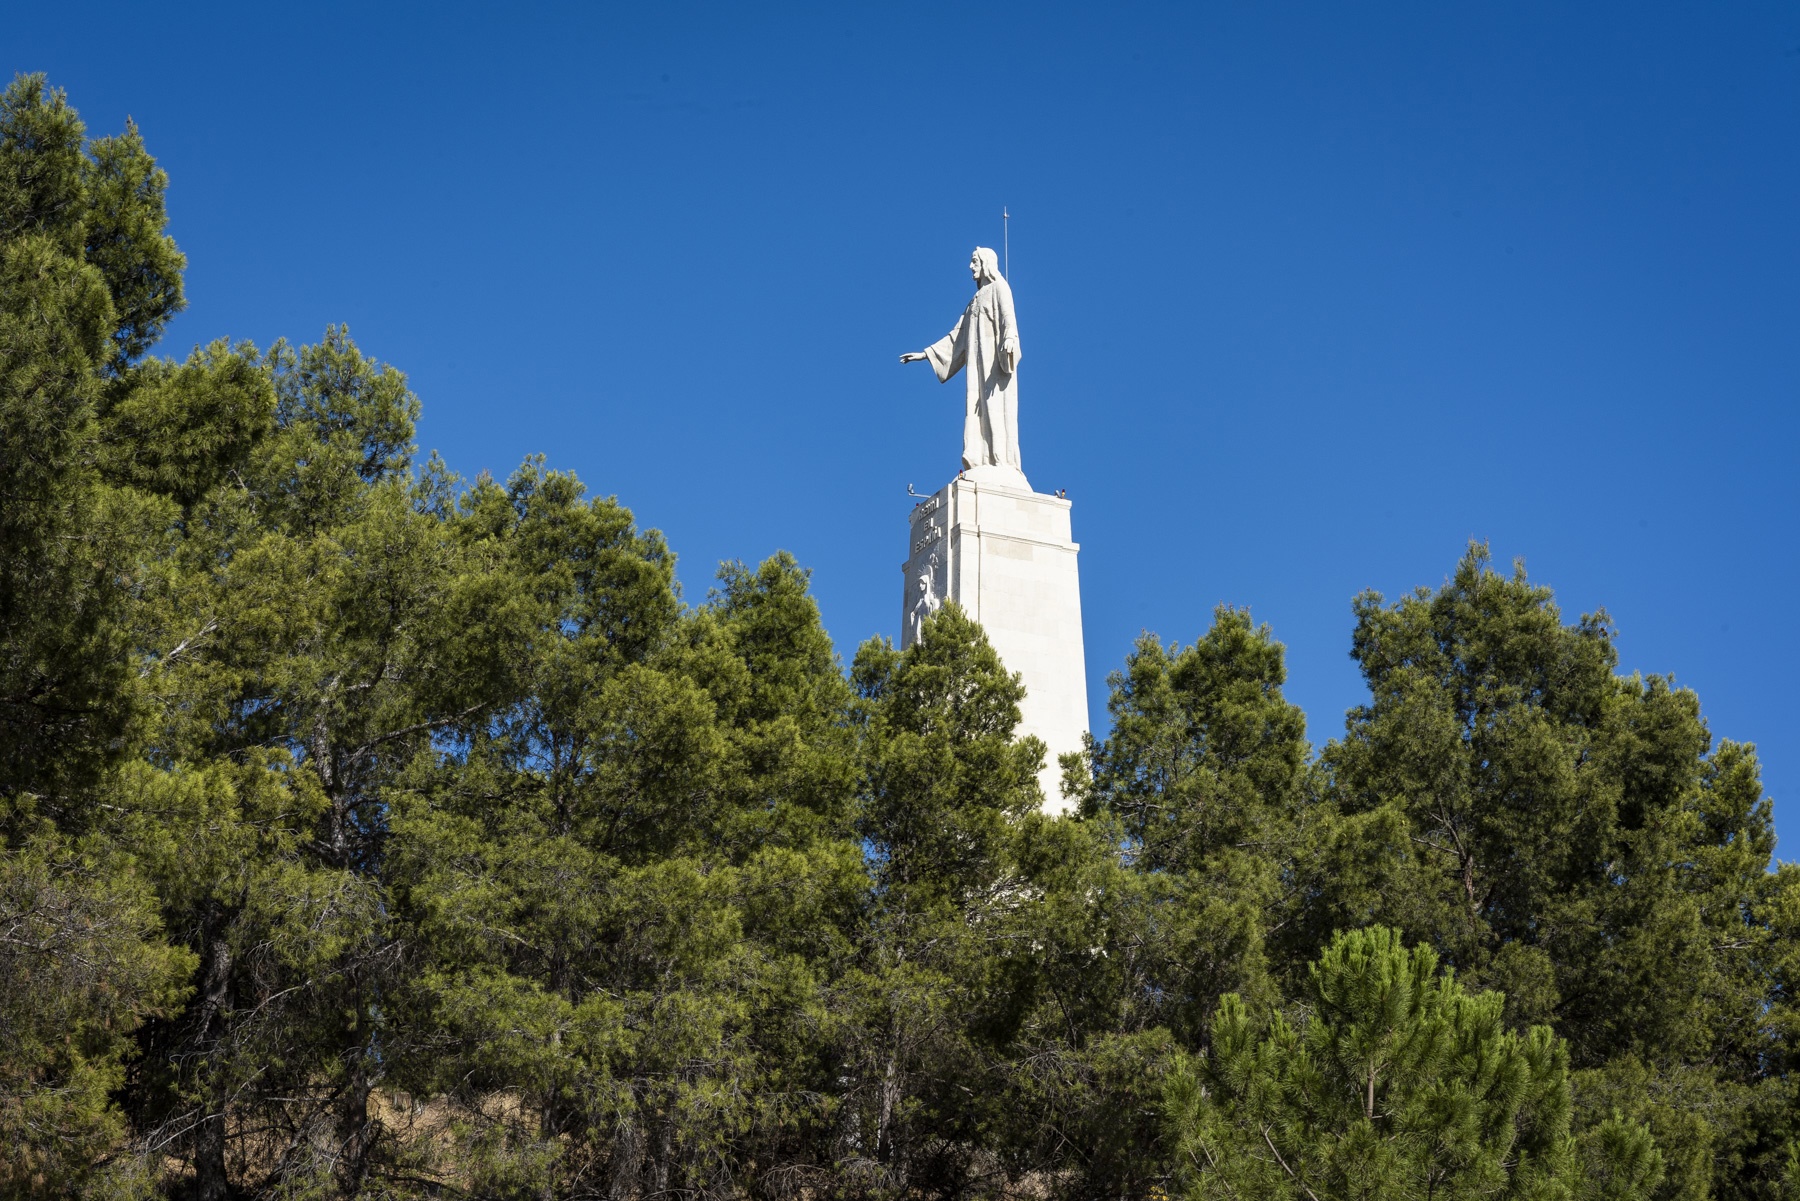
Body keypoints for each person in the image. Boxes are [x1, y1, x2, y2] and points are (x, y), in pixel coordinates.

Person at [900, 247, 1023, 474]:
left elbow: (1009, 318)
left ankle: (1000, 460)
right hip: (977, 368)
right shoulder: (974, 301)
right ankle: (980, 457)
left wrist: (1010, 339)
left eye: (974, 261)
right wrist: (926, 354)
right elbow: (957, 336)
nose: (970, 266)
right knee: (976, 409)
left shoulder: (999, 288)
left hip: (995, 364)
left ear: (986, 263)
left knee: (995, 407)